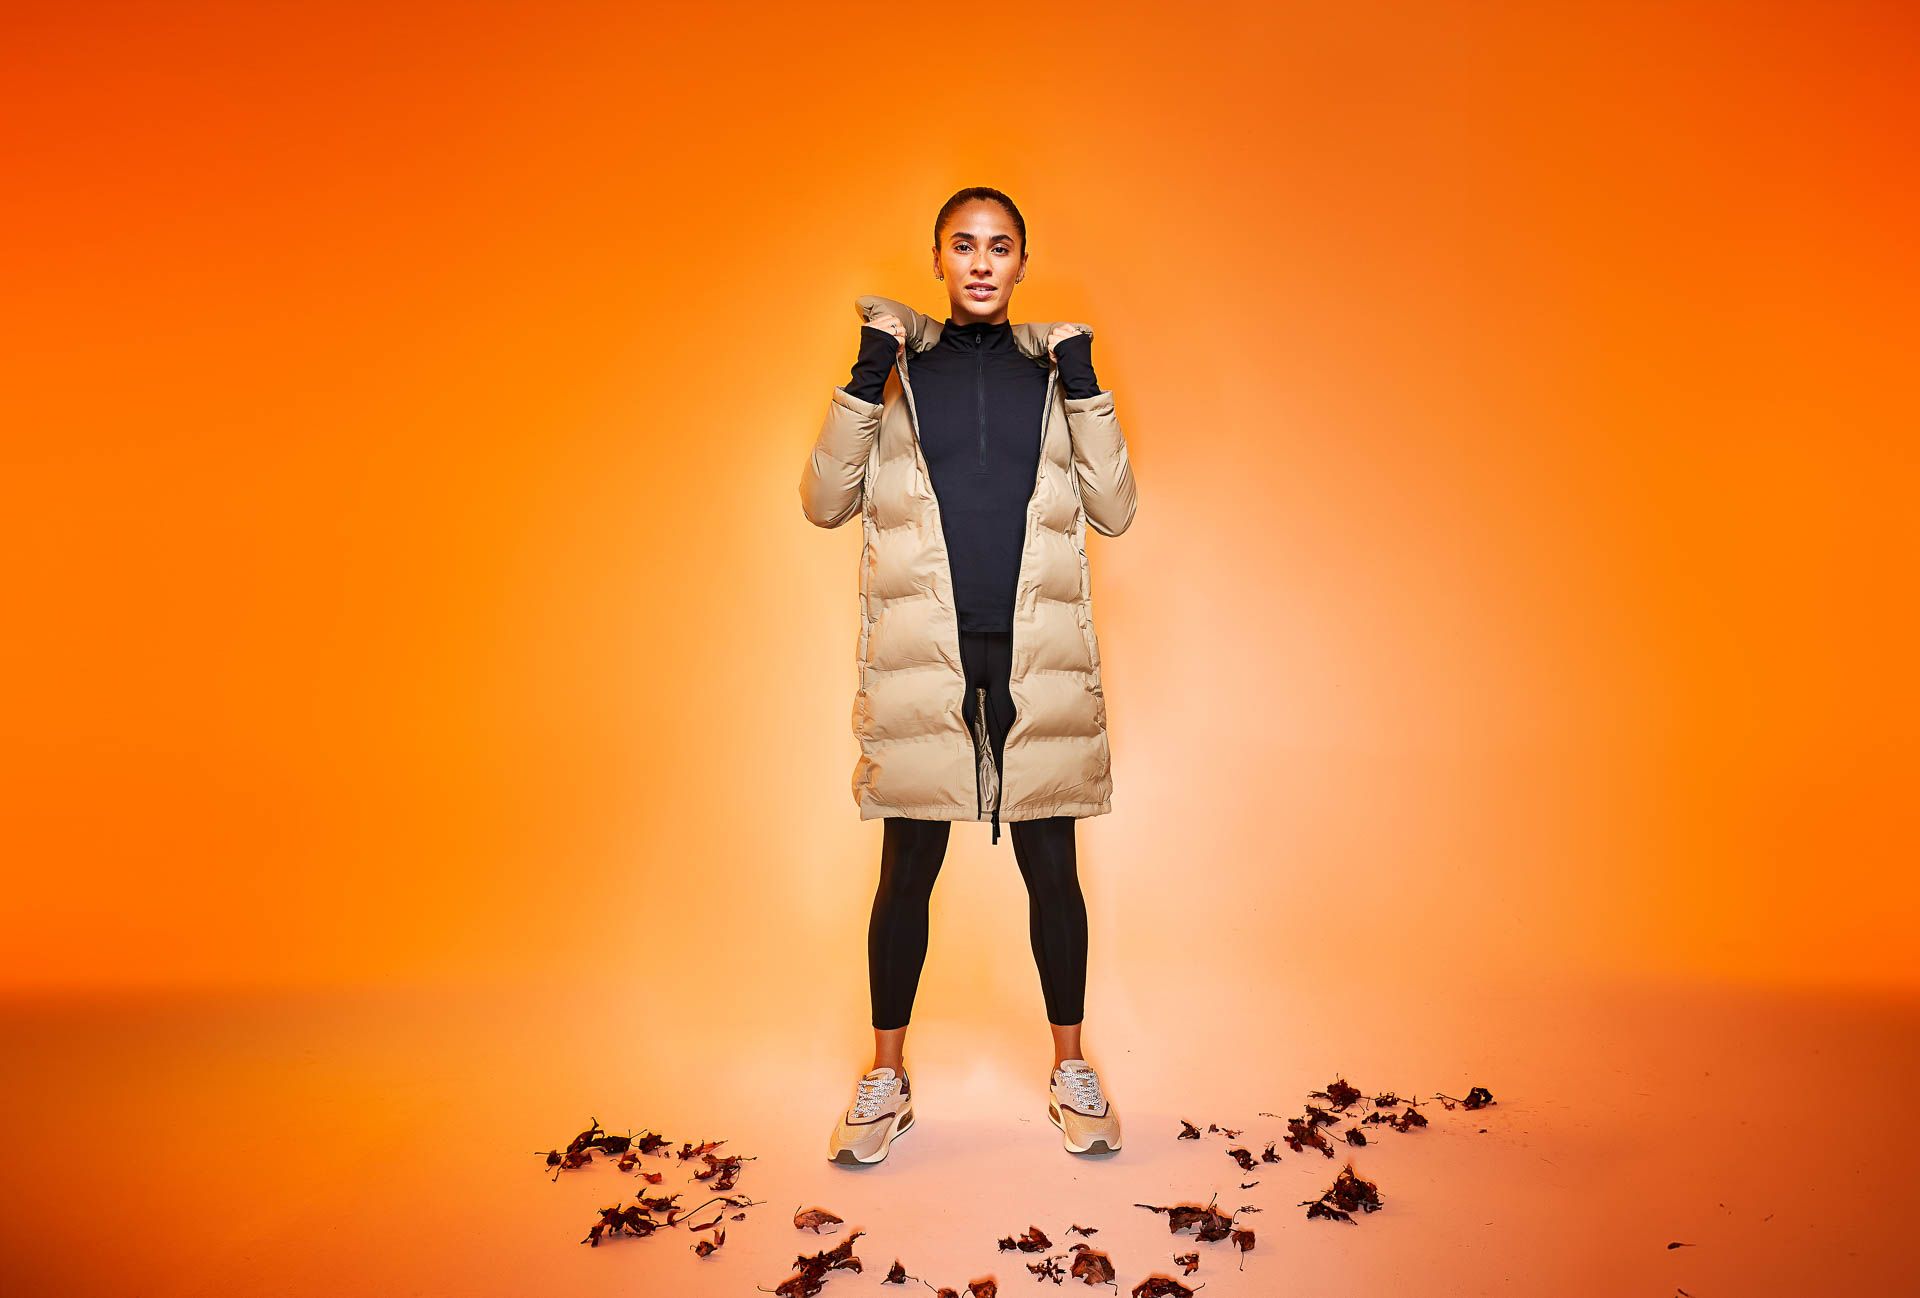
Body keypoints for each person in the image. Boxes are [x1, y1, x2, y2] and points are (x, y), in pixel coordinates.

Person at [801, 187, 1137, 1164]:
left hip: (1034, 655)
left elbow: (1113, 508)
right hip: (927, 656)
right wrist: (863, 379)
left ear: (1023, 263)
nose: (982, 262)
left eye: (1001, 247)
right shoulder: (900, 374)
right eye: (965, 245)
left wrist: (1086, 382)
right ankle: (885, 1078)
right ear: (938, 259)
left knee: (1052, 872)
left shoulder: (1054, 379)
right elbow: (825, 499)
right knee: (906, 868)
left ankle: (1072, 1068)